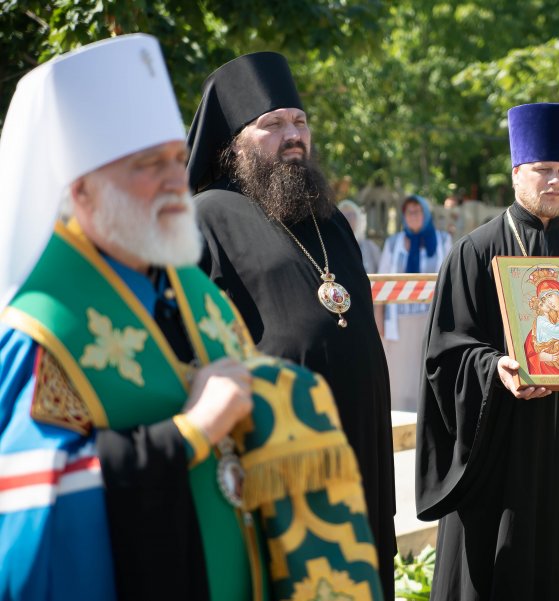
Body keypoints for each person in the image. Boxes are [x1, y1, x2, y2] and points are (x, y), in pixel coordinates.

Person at [0, 35, 382, 601]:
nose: (172, 181)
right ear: (82, 191)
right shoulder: (40, 329)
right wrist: (191, 433)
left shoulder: (192, 295)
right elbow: (26, 509)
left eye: (175, 161)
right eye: (147, 165)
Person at [186, 51, 396, 599]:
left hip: (358, 440)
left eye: (299, 121)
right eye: (272, 124)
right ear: (233, 143)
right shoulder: (208, 215)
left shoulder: (329, 216)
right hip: (277, 450)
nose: (293, 135)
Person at [416, 102, 559, 600]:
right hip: (501, 457)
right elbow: (445, 355)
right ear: (517, 171)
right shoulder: (474, 252)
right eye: (543, 170)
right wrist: (493, 368)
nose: (555, 182)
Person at [377, 194, 452, 411]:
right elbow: (381, 283)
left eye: (417, 211)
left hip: (431, 320)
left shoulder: (442, 241)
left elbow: (451, 279)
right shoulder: (394, 244)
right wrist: (378, 320)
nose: (413, 216)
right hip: (399, 323)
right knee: (400, 377)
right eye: (409, 212)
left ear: (426, 214)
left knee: (428, 372)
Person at [338, 198, 382, 273]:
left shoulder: (371, 248)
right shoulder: (332, 247)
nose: (347, 219)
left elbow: (383, 274)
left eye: (351, 215)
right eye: (343, 215)